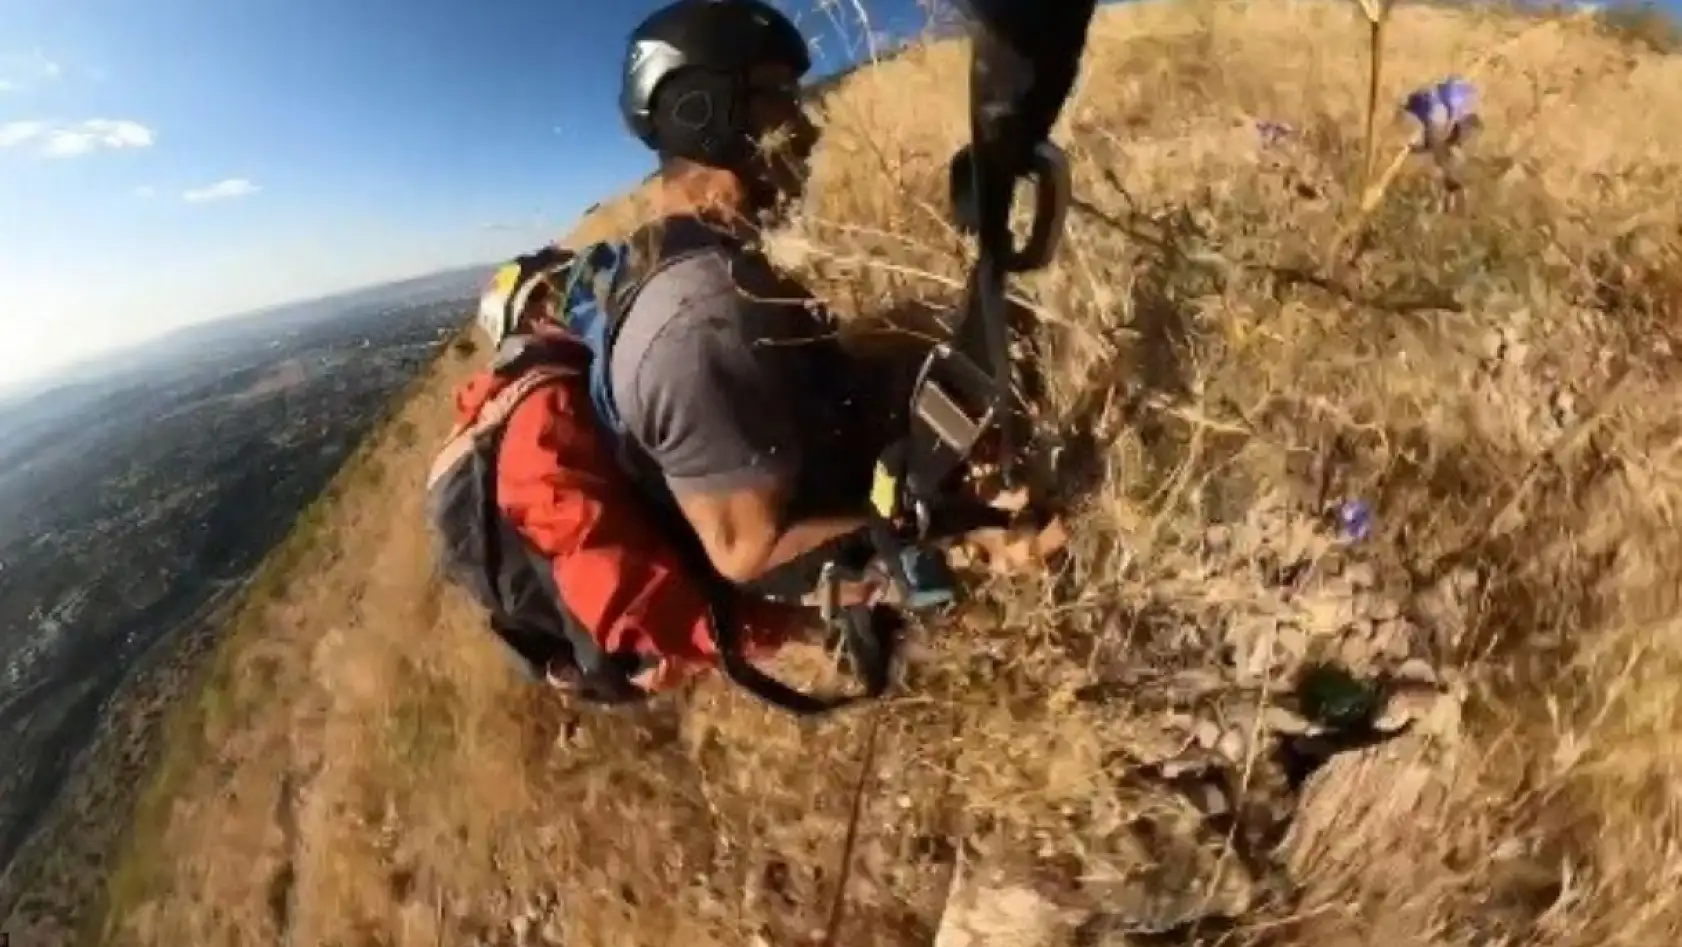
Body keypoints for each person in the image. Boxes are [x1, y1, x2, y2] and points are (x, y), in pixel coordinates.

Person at [610, 0, 954, 610]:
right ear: (705, 112)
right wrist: (963, 539)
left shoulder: (704, 256)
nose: (808, 127)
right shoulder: (703, 319)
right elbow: (753, 556)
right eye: (780, 98)